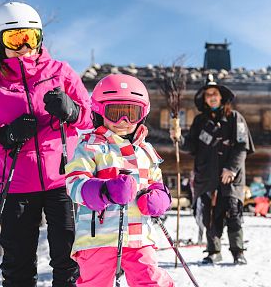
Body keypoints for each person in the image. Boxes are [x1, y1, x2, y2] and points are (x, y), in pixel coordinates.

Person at [0, 2, 92, 286]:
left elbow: (91, 118)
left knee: (69, 262)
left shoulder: (61, 71)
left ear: (39, 38)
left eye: (28, 37)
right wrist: (6, 135)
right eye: (13, 39)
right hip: (15, 185)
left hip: (63, 182)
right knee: (17, 266)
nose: (23, 46)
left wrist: (73, 111)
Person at [65, 74, 175, 286]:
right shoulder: (90, 146)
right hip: (98, 238)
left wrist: (158, 199)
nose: (123, 122)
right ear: (99, 111)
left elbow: (157, 183)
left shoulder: (146, 150)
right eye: (115, 113)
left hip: (138, 237)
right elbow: (74, 183)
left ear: (142, 115)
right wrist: (105, 191)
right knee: (95, 283)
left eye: (131, 114)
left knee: (150, 280)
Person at [171, 74, 255, 265]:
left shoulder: (235, 118)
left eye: (214, 93)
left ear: (221, 96)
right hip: (206, 177)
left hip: (230, 178)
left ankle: (238, 252)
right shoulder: (200, 121)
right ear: (205, 99)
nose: (211, 97)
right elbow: (191, 146)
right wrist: (178, 138)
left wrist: (231, 169)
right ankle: (213, 251)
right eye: (208, 94)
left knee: (233, 213)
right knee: (209, 215)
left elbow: (242, 146)